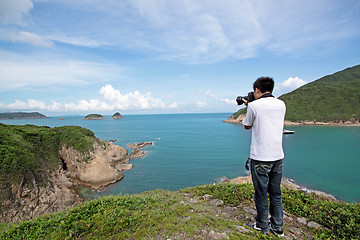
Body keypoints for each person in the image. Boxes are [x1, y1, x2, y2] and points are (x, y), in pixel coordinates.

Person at [242, 77, 286, 236]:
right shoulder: (281, 104)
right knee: (275, 193)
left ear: (256, 90)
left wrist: (249, 105)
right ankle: (278, 227)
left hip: (261, 158)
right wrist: (251, 104)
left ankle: (262, 225)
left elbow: (247, 125)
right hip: (277, 157)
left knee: (260, 194)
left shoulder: (254, 106)